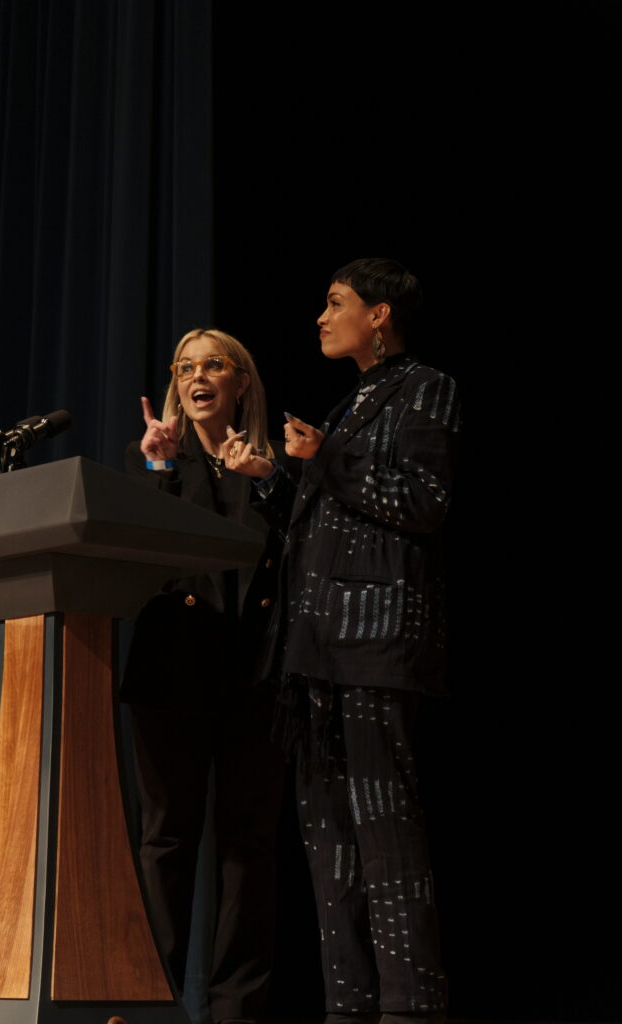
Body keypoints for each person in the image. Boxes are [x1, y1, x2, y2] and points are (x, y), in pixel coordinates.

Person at [225, 259, 460, 1024]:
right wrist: (276, 477)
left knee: (383, 828)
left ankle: (409, 1010)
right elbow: (340, 511)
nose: (321, 318)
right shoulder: (356, 398)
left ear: (380, 314)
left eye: (335, 303)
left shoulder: (424, 386)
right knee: (326, 840)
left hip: (373, 640)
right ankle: (348, 1009)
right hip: (313, 646)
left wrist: (323, 456)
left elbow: (420, 501)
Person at [120, 328, 287, 1024]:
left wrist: (265, 480)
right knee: (166, 839)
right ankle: (151, 1000)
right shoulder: (154, 463)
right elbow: (135, 550)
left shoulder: (270, 467)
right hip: (173, 675)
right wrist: (156, 470)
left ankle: (235, 1009)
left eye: (212, 365)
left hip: (254, 677)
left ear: (239, 381)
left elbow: (293, 551)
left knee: (248, 844)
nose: (197, 377)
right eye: (185, 367)